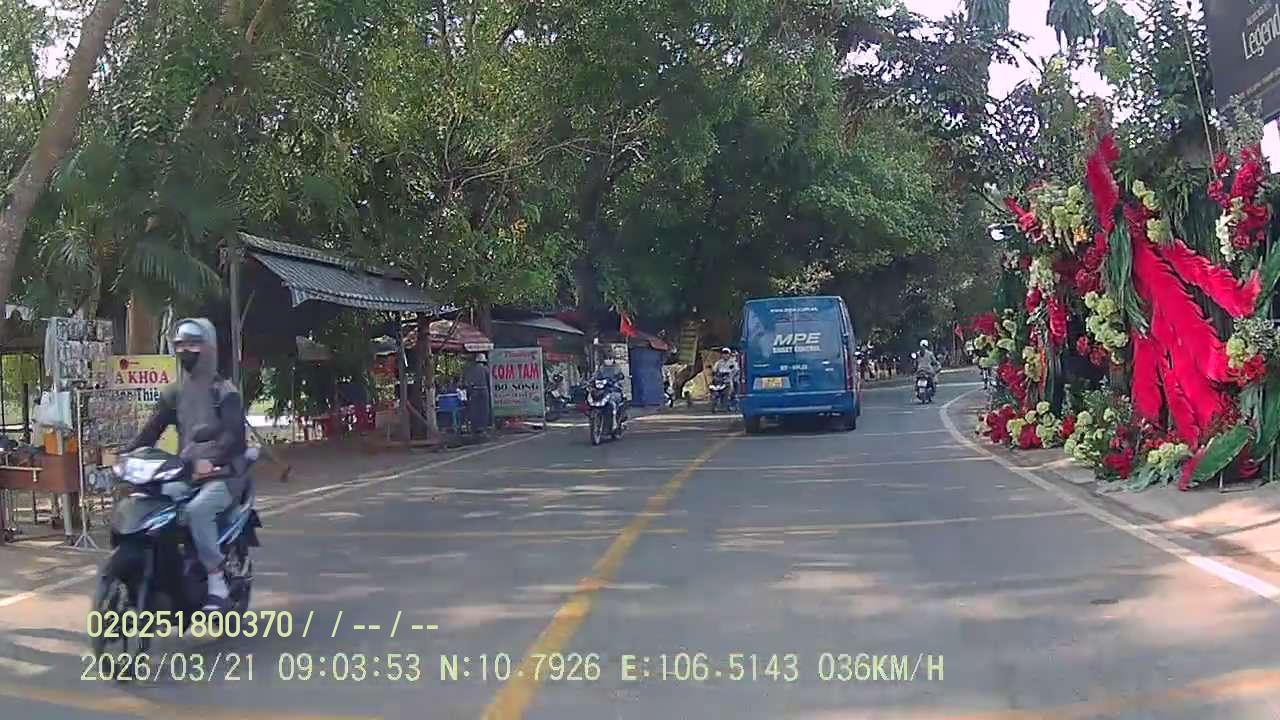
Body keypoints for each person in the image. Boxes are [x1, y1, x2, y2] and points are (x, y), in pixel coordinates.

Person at [125, 319, 247, 611]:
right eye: (180, 345)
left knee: (197, 511)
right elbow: (151, 432)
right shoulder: (174, 393)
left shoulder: (225, 392)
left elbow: (234, 436)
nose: (185, 351)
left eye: (193, 344)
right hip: (186, 472)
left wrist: (213, 460)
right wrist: (125, 456)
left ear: (209, 348)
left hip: (225, 474)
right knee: (151, 503)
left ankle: (216, 579)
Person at [463, 353, 492, 432]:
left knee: (475, 409)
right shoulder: (486, 369)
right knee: (484, 410)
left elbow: (467, 383)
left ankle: (476, 426)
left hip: (474, 390)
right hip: (484, 390)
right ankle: (483, 426)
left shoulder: (471, 370)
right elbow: (489, 381)